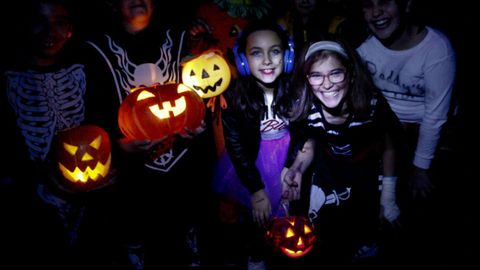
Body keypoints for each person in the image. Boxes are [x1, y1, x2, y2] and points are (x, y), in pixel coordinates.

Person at [80, 0, 216, 269]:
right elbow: (91, 111)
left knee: (187, 213)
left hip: (182, 157)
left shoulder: (179, 37)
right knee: (136, 218)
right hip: (132, 163)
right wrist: (118, 145)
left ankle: (191, 245)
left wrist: (200, 121)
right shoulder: (93, 50)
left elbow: (205, 80)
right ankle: (135, 251)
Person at [0, 0, 104, 268]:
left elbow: (100, 126)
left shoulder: (83, 70)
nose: (50, 32)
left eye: (60, 22)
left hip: (88, 198)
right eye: (39, 21)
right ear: (25, 25)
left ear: (70, 29)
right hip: (33, 204)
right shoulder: (9, 80)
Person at [283, 39, 404, 268]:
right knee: (327, 231)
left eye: (335, 73)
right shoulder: (308, 110)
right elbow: (308, 145)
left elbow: (389, 146)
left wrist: (388, 195)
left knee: (366, 228)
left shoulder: (372, 105)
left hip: (365, 169)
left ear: (351, 74)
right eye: (316, 75)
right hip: (329, 168)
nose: (327, 84)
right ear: (307, 80)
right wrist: (297, 169)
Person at [356, 0, 457, 266]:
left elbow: (436, 116)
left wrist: (421, 167)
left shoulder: (436, 49)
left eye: (384, 2)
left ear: (406, 4)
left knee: (421, 197)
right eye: (368, 5)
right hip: (384, 128)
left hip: (427, 130)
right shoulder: (364, 48)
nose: (376, 12)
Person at [213, 19, 296, 269]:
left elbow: (304, 134)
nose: (267, 61)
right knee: (255, 217)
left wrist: (291, 167)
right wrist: (257, 189)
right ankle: (256, 256)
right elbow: (236, 147)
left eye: (275, 51)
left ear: (287, 56)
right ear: (243, 61)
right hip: (253, 165)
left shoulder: (295, 89)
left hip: (286, 159)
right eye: (256, 53)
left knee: (286, 216)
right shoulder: (234, 96)